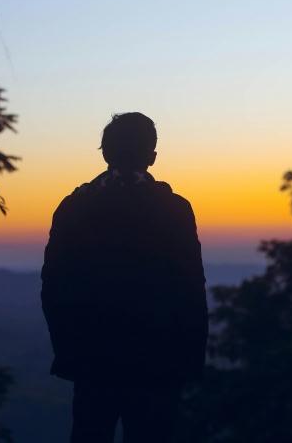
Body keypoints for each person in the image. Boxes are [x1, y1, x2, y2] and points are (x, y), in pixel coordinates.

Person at [41, 112, 208, 443]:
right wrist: (190, 360)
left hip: (93, 360)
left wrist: (69, 352)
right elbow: (191, 289)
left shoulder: (75, 207)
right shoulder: (175, 209)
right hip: (158, 363)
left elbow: (54, 288)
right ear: (152, 156)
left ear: (105, 153)